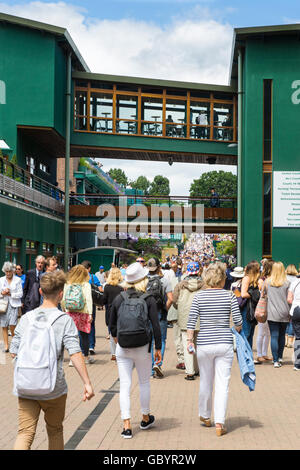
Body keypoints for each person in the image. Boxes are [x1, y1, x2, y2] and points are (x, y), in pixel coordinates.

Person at [10, 270, 95, 450]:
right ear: (61, 294)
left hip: (26, 385)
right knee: (55, 430)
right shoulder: (64, 320)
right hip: (53, 387)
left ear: (41, 292)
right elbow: (75, 352)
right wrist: (87, 383)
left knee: (25, 433)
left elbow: (13, 351)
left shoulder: (26, 318)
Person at [186, 262, 242, 436]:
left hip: (204, 343)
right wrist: (235, 330)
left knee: (205, 381)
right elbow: (238, 322)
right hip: (224, 343)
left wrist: (189, 340)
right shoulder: (230, 296)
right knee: (222, 383)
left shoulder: (199, 297)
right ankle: (220, 422)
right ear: (222, 279)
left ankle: (205, 415)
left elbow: (191, 321)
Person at [109, 262, 162, 439]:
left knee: (124, 385)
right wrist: (158, 347)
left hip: (123, 347)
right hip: (142, 346)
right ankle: (145, 417)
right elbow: (156, 326)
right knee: (144, 382)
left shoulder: (119, 298)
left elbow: (112, 325)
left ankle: (126, 425)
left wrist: (118, 340)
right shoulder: (149, 299)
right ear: (143, 279)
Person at [173, 262, 204, 380]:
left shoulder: (180, 285)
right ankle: (197, 369)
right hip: (200, 318)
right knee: (198, 343)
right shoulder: (204, 285)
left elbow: (175, 301)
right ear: (198, 271)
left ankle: (190, 371)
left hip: (185, 317)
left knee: (187, 343)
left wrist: (181, 308)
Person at [61, 264, 95, 365]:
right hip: (83, 312)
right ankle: (85, 357)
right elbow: (88, 299)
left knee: (72, 336)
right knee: (84, 336)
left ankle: (72, 359)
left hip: (70, 311)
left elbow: (63, 299)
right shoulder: (86, 284)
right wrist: (90, 313)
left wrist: (64, 309)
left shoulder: (68, 283)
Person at [147, 257, 173, 378]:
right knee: (161, 340)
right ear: (158, 267)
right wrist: (165, 309)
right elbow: (171, 299)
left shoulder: (143, 281)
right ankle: (158, 363)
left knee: (150, 341)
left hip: (147, 314)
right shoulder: (165, 281)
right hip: (160, 313)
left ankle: (151, 369)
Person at [266, 262, 291, 368]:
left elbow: (263, 294)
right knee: (282, 335)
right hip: (284, 311)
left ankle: (275, 360)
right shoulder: (287, 283)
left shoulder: (267, 282)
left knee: (274, 336)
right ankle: (280, 357)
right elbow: (289, 299)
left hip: (272, 312)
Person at [81, 260, 103, 356]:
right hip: (91, 304)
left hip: (80, 305)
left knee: (81, 325)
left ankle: (82, 346)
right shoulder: (93, 277)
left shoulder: (79, 278)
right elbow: (101, 289)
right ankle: (91, 345)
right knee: (92, 324)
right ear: (89, 268)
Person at [0, 262, 23, 352]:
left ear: (13, 271)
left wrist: (11, 293)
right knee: (4, 325)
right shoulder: (1, 280)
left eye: (10, 271)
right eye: (6, 271)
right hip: (3, 305)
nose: (8, 273)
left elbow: (20, 294)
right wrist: (2, 293)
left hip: (14, 305)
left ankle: (14, 344)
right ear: (4, 271)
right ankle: (6, 345)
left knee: (13, 325)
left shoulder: (17, 280)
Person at [102, 267, 124, 361]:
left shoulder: (107, 287)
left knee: (112, 332)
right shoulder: (122, 287)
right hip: (121, 311)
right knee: (120, 331)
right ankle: (121, 351)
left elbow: (104, 301)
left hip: (110, 312)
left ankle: (114, 353)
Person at [255, 259, 274, 363]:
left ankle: (264, 353)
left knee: (268, 333)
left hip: (270, 307)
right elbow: (263, 293)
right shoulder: (262, 279)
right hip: (263, 307)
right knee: (261, 332)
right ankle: (259, 354)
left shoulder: (268, 279)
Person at [240, 261, 261, 349]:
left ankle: (249, 356)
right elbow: (243, 294)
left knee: (251, 333)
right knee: (246, 333)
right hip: (246, 309)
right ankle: (244, 356)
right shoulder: (247, 278)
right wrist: (255, 294)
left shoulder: (256, 280)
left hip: (253, 307)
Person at [287, 275, 300, 370]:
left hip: (296, 310)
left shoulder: (295, 282)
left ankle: (297, 364)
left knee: (298, 338)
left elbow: (289, 299)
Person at [285, 264, 298, 348]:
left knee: (286, 321)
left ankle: (285, 340)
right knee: (292, 322)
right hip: (293, 303)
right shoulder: (296, 280)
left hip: (285, 302)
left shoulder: (284, 278)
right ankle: (290, 340)